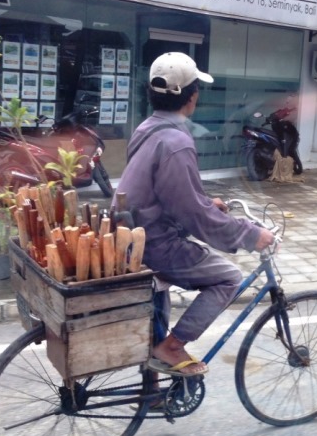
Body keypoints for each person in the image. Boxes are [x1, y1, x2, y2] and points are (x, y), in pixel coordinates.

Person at [113, 52, 275, 377]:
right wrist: (250, 234)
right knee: (228, 278)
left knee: (159, 299)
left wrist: (203, 200)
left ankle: (150, 392)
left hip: (129, 233)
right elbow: (195, 217)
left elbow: (172, 192)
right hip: (155, 242)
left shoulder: (147, 128)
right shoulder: (176, 142)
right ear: (193, 97)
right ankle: (172, 347)